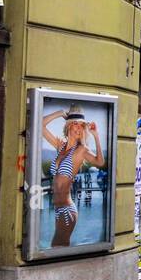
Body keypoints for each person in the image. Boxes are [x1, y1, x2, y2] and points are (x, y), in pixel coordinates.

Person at [41, 105, 106, 247]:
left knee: (58, 248)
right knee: (58, 247)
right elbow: (40, 126)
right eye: (75, 124)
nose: (78, 128)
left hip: (67, 209)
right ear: (68, 126)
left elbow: (100, 162)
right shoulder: (61, 146)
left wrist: (96, 136)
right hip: (58, 209)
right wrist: (59, 113)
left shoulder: (80, 150)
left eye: (82, 126)